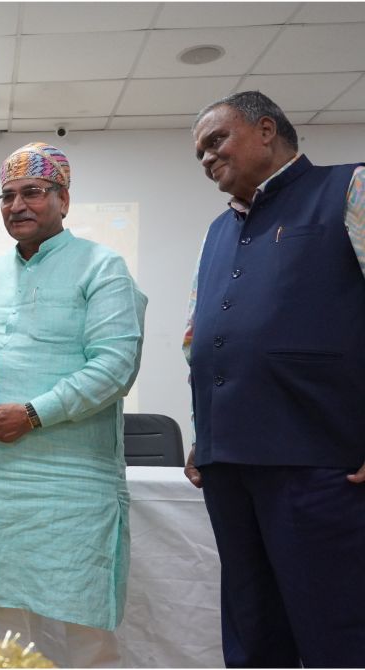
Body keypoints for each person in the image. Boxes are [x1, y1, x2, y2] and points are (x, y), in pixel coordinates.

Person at [0, 142, 147, 668]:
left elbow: (115, 367)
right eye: (7, 196)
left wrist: (33, 414)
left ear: (64, 199)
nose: (17, 205)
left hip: (74, 485)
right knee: (0, 634)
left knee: (86, 631)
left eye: (32, 192)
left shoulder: (103, 267)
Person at [184, 91, 365, 667]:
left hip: (319, 458)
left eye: (216, 140)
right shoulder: (217, 231)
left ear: (266, 130)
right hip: (229, 465)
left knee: (336, 627)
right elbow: (198, 339)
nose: (207, 157)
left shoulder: (351, 187)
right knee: (254, 631)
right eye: (200, 152)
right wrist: (203, 432)